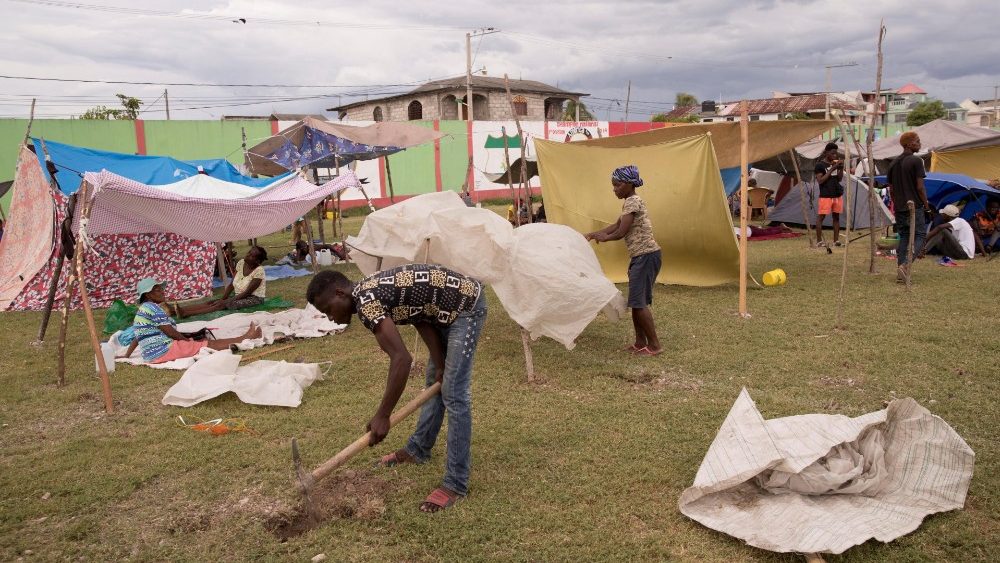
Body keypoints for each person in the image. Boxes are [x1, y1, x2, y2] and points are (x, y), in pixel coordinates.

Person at [306, 264, 487, 513]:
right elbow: (421, 315)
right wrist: (440, 362)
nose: (331, 317)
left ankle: (456, 483)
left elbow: (402, 359)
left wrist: (383, 415)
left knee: (454, 395)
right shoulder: (367, 293)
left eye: (328, 310)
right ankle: (418, 450)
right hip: (441, 309)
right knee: (435, 382)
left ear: (340, 293)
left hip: (466, 307)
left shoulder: (367, 302)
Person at [584, 164, 662, 356]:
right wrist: (595, 234)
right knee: (636, 302)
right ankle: (639, 342)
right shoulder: (629, 202)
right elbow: (616, 224)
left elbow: (621, 232)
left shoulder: (633, 201)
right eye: (613, 185)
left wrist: (604, 238)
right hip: (641, 256)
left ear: (629, 184)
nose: (614, 189)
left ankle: (654, 346)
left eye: (617, 185)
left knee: (639, 303)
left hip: (646, 256)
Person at [128, 278, 260, 363]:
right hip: (162, 351)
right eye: (158, 290)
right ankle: (246, 338)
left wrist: (127, 355)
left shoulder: (143, 309)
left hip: (151, 354)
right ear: (148, 294)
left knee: (202, 342)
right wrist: (187, 342)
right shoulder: (153, 308)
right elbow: (171, 334)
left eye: (161, 289)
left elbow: (137, 335)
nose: (162, 292)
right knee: (206, 344)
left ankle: (243, 337)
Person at [171, 245, 268, 317]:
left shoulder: (259, 271)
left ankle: (186, 313)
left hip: (253, 298)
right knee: (213, 302)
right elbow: (231, 285)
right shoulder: (241, 263)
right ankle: (175, 311)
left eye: (251, 255)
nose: (247, 255)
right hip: (239, 296)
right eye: (249, 252)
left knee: (222, 305)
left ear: (257, 261)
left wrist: (226, 301)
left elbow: (247, 293)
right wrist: (223, 298)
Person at [886, 132, 933, 282]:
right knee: (920, 236)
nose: (919, 144)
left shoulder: (893, 163)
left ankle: (901, 271)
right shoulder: (916, 161)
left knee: (904, 236)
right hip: (915, 206)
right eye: (917, 141)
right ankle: (905, 266)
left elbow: (891, 190)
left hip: (900, 207)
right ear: (908, 144)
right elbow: (920, 188)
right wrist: (927, 206)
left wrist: (896, 204)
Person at [814, 142, 845, 247]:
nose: (835, 156)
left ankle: (836, 241)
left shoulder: (835, 163)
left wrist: (840, 168)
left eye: (836, 154)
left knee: (836, 217)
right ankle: (819, 241)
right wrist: (832, 169)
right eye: (832, 153)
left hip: (837, 194)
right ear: (826, 153)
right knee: (821, 217)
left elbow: (839, 179)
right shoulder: (820, 165)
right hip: (825, 195)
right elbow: (820, 180)